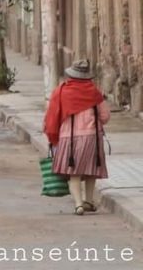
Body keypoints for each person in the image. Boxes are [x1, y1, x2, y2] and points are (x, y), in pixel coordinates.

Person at [43, 60, 110, 216]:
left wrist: (52, 136)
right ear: (87, 77)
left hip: (69, 139)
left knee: (74, 173)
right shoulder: (95, 93)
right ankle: (89, 201)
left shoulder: (62, 92)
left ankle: (78, 204)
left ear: (71, 75)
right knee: (91, 171)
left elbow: (52, 117)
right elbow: (105, 117)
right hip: (92, 138)